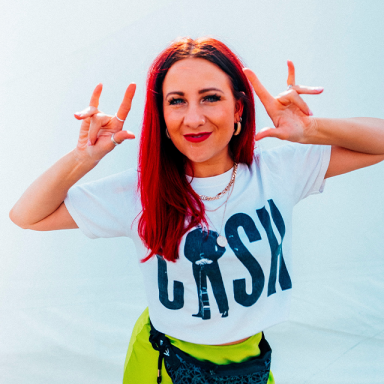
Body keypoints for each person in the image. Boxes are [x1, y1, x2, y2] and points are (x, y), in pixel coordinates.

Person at [9, 37, 384, 384]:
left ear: (238, 107)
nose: (193, 118)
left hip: (251, 363)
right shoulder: (140, 190)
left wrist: (312, 129)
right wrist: (83, 158)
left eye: (209, 98)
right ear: (162, 116)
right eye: (176, 101)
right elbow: (27, 215)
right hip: (164, 365)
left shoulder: (277, 171)